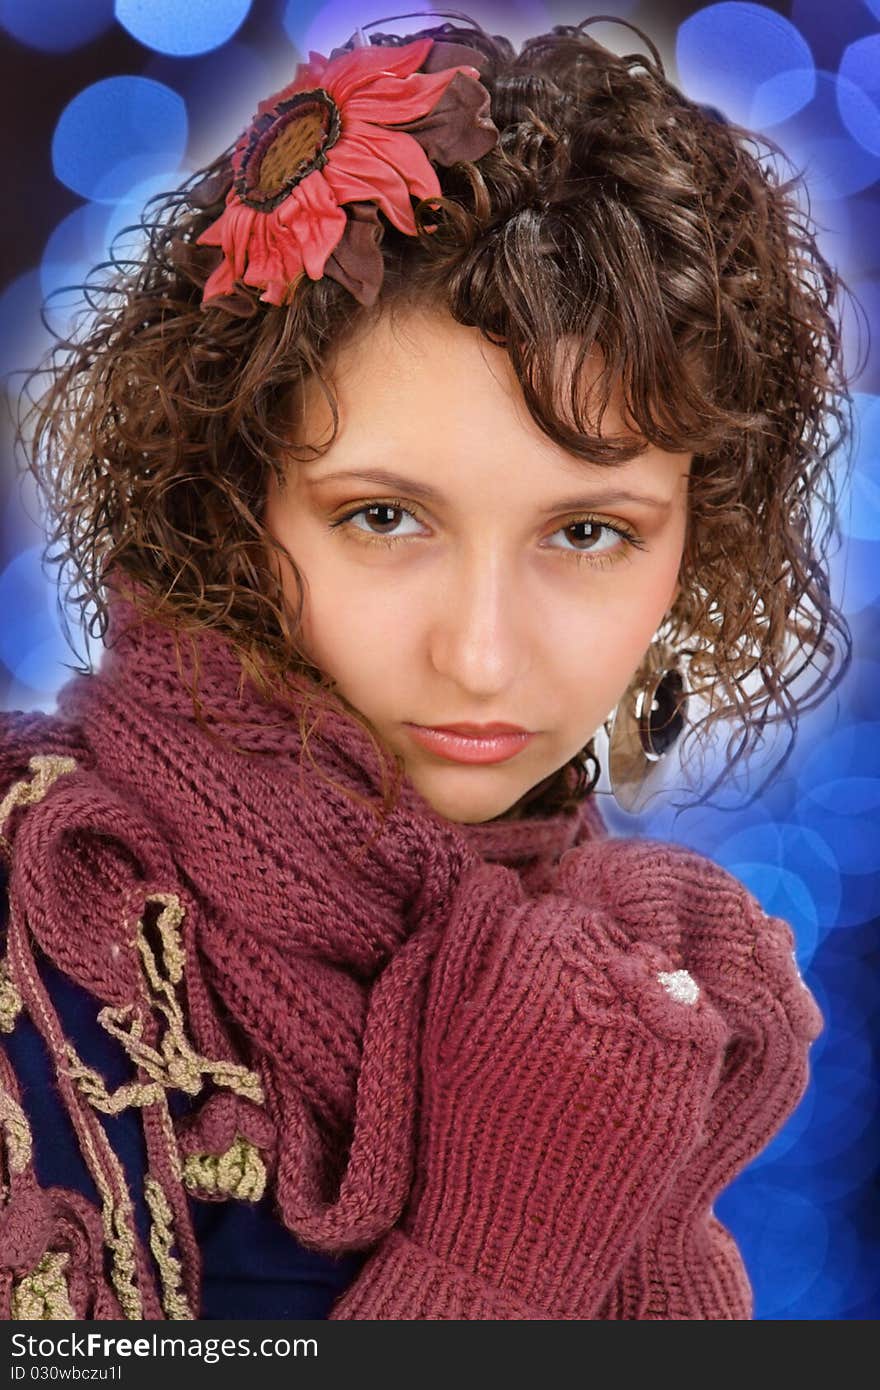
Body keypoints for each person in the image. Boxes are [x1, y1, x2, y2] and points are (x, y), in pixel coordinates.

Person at [0, 10, 854, 1320]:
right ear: (233, 504)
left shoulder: (619, 962)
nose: (482, 652)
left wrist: (658, 1196)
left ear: (699, 537)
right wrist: (497, 1257)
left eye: (587, 533)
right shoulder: (50, 918)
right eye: (384, 518)